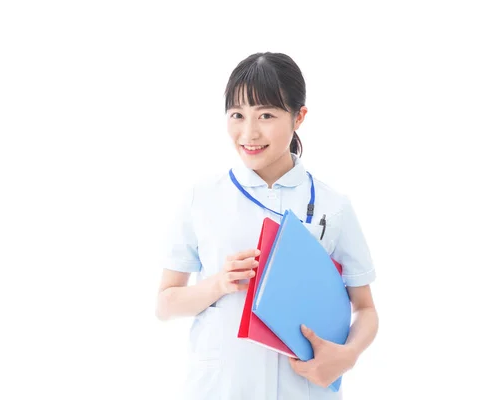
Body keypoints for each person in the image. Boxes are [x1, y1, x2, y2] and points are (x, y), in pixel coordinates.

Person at [155, 52, 379, 400]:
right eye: (237, 115)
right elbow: (166, 304)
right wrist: (220, 283)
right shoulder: (202, 198)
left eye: (267, 115)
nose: (249, 132)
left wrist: (347, 356)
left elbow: (365, 308)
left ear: (299, 117)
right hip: (222, 388)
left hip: (303, 389)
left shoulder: (333, 206)